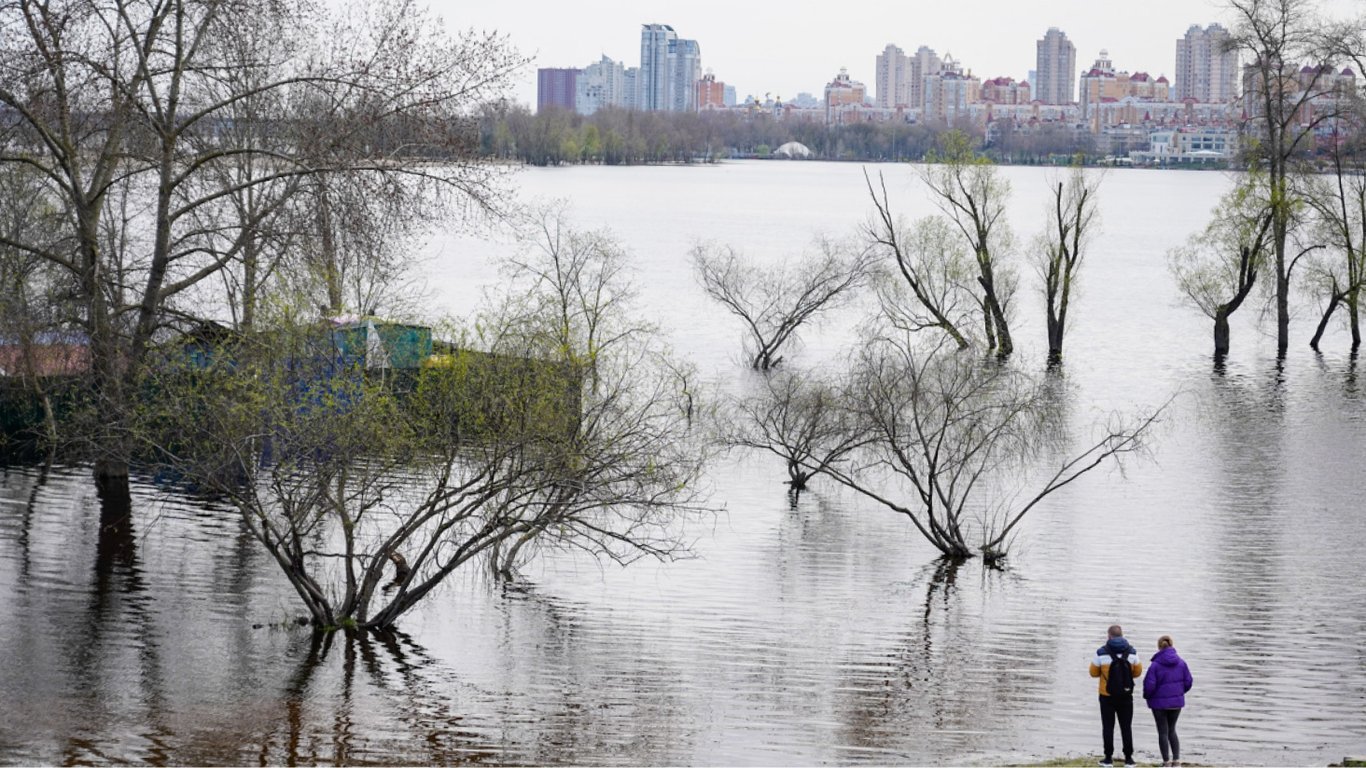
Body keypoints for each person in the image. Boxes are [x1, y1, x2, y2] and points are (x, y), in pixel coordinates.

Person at [1089, 624, 1143, 767]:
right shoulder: (1132, 652)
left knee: (1108, 727)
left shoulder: (1101, 652)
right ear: (1122, 635)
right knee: (1126, 727)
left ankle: (1108, 759)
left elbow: (1093, 673)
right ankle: (1129, 760)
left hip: (1106, 696)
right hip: (1126, 695)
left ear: (1109, 636)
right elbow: (1137, 673)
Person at [1143, 635, 1193, 767]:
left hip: (1158, 704)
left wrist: (1147, 696)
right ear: (1171, 645)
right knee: (1172, 730)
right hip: (1176, 703)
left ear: (1159, 647)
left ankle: (1166, 762)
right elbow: (1188, 682)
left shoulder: (1155, 665)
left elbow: (1149, 685)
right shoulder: (1182, 663)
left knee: (1163, 732)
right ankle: (1176, 761)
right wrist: (1179, 693)